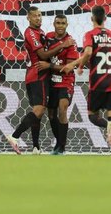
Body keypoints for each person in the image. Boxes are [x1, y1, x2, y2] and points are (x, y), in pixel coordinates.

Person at [62, 6, 111, 156]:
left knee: (92, 116)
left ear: (92, 19)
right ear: (105, 19)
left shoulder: (90, 34)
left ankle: (109, 130)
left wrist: (78, 66)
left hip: (98, 82)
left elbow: (88, 52)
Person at [7, 7, 74, 154]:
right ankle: (14, 136)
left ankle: (36, 146)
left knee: (38, 111)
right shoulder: (30, 33)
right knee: (39, 110)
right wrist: (63, 45)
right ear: (28, 18)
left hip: (39, 75)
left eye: (40, 15)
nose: (38, 18)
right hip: (38, 75)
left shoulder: (42, 33)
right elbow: (43, 56)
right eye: (35, 16)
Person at [36, 14, 79, 155]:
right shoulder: (48, 37)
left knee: (62, 109)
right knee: (51, 115)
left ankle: (61, 147)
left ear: (67, 25)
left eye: (63, 23)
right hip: (51, 81)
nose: (60, 25)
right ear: (54, 24)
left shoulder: (71, 43)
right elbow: (42, 53)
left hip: (66, 81)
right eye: (58, 23)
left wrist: (48, 65)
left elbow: (68, 67)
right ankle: (59, 143)